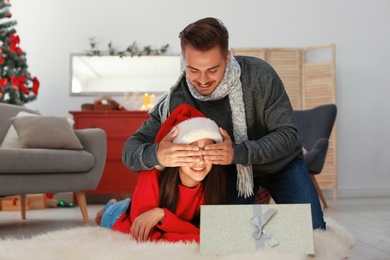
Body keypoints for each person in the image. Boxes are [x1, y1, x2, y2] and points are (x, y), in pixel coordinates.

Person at [122, 17, 326, 230]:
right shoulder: (177, 99)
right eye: (193, 70)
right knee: (223, 238)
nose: (202, 80)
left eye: (212, 70)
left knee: (313, 232)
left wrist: (238, 153)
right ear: (184, 60)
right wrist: (157, 155)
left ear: (228, 57)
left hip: (282, 164)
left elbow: (287, 135)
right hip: (230, 175)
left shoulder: (260, 76)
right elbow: (130, 151)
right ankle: (119, 208)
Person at [96, 104, 227, 242]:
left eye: (207, 150)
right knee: (107, 214)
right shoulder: (152, 175)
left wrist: (163, 216)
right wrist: (195, 233)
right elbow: (149, 237)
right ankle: (109, 206)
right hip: (120, 215)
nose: (200, 160)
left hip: (143, 207)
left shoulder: (214, 182)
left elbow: (214, 234)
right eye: (190, 152)